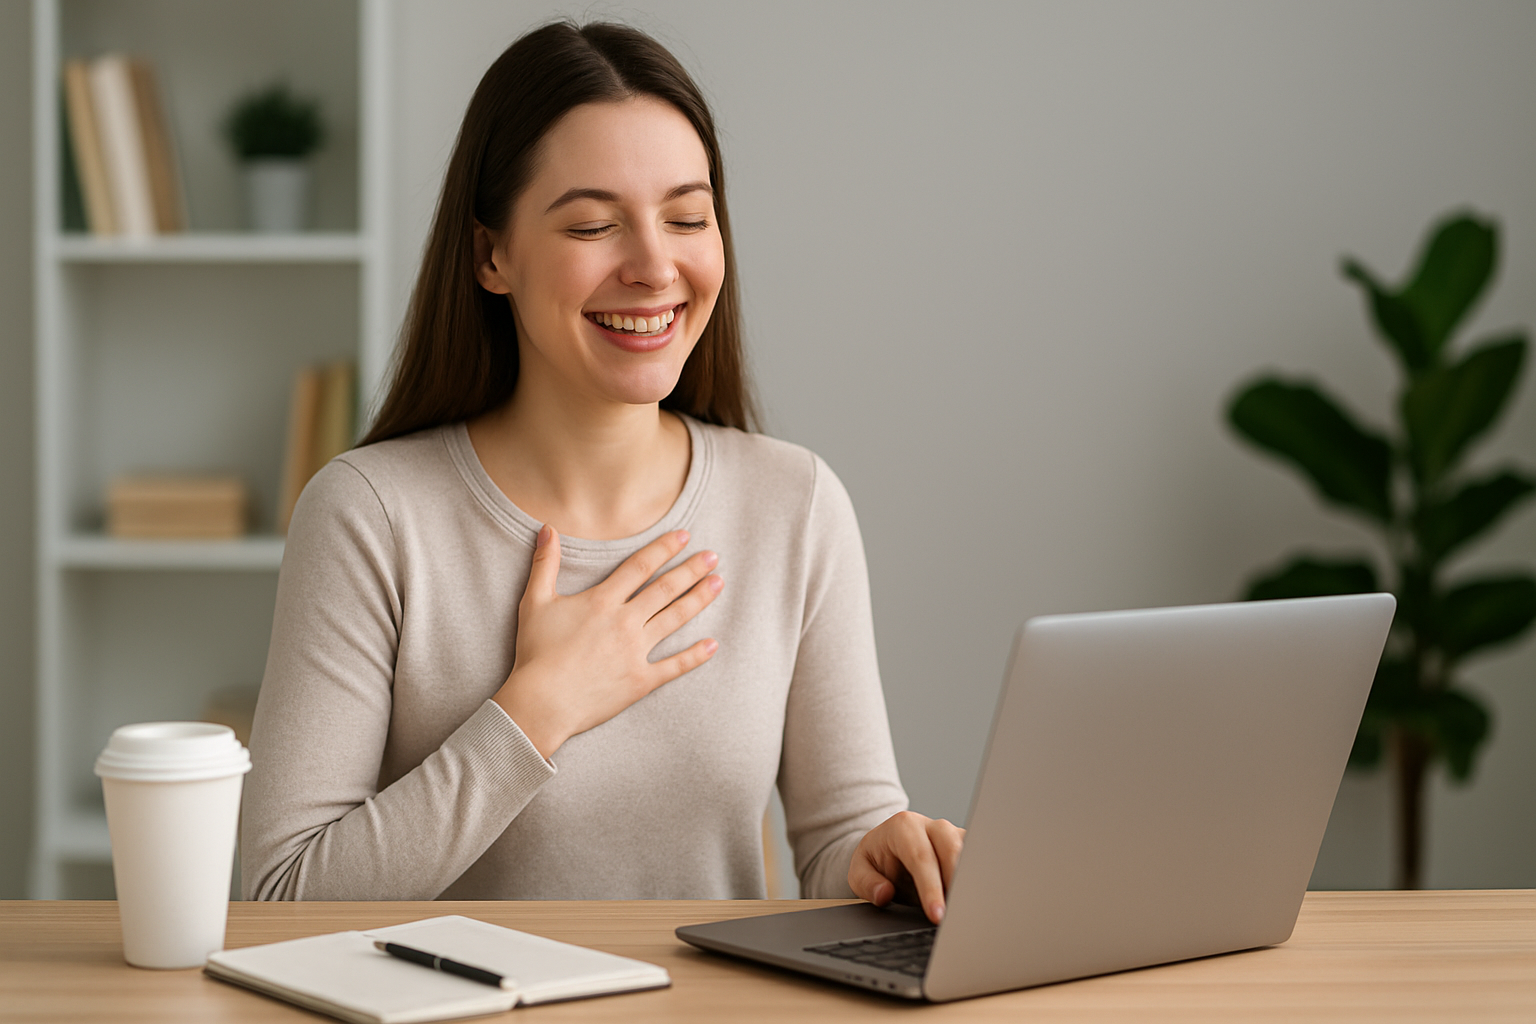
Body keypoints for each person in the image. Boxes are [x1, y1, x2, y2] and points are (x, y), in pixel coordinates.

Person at [241, 20, 963, 923]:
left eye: (688, 217)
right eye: (593, 224)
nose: (656, 266)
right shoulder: (371, 516)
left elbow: (834, 844)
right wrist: (535, 711)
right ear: (491, 256)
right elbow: (275, 898)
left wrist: (885, 854)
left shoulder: (796, 505)